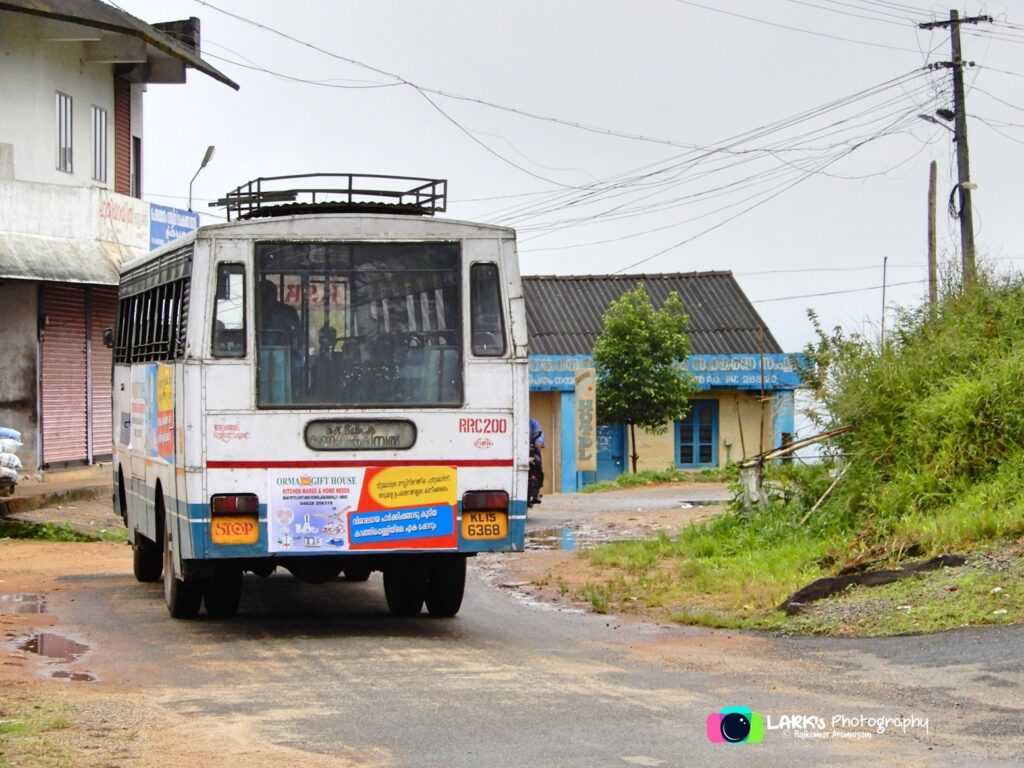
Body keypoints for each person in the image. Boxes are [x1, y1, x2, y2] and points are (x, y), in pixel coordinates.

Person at [528, 416, 545, 506]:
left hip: (530, 450)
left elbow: (539, 433)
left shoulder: (532, 422)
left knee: (537, 461)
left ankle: (536, 486)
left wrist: (539, 442)